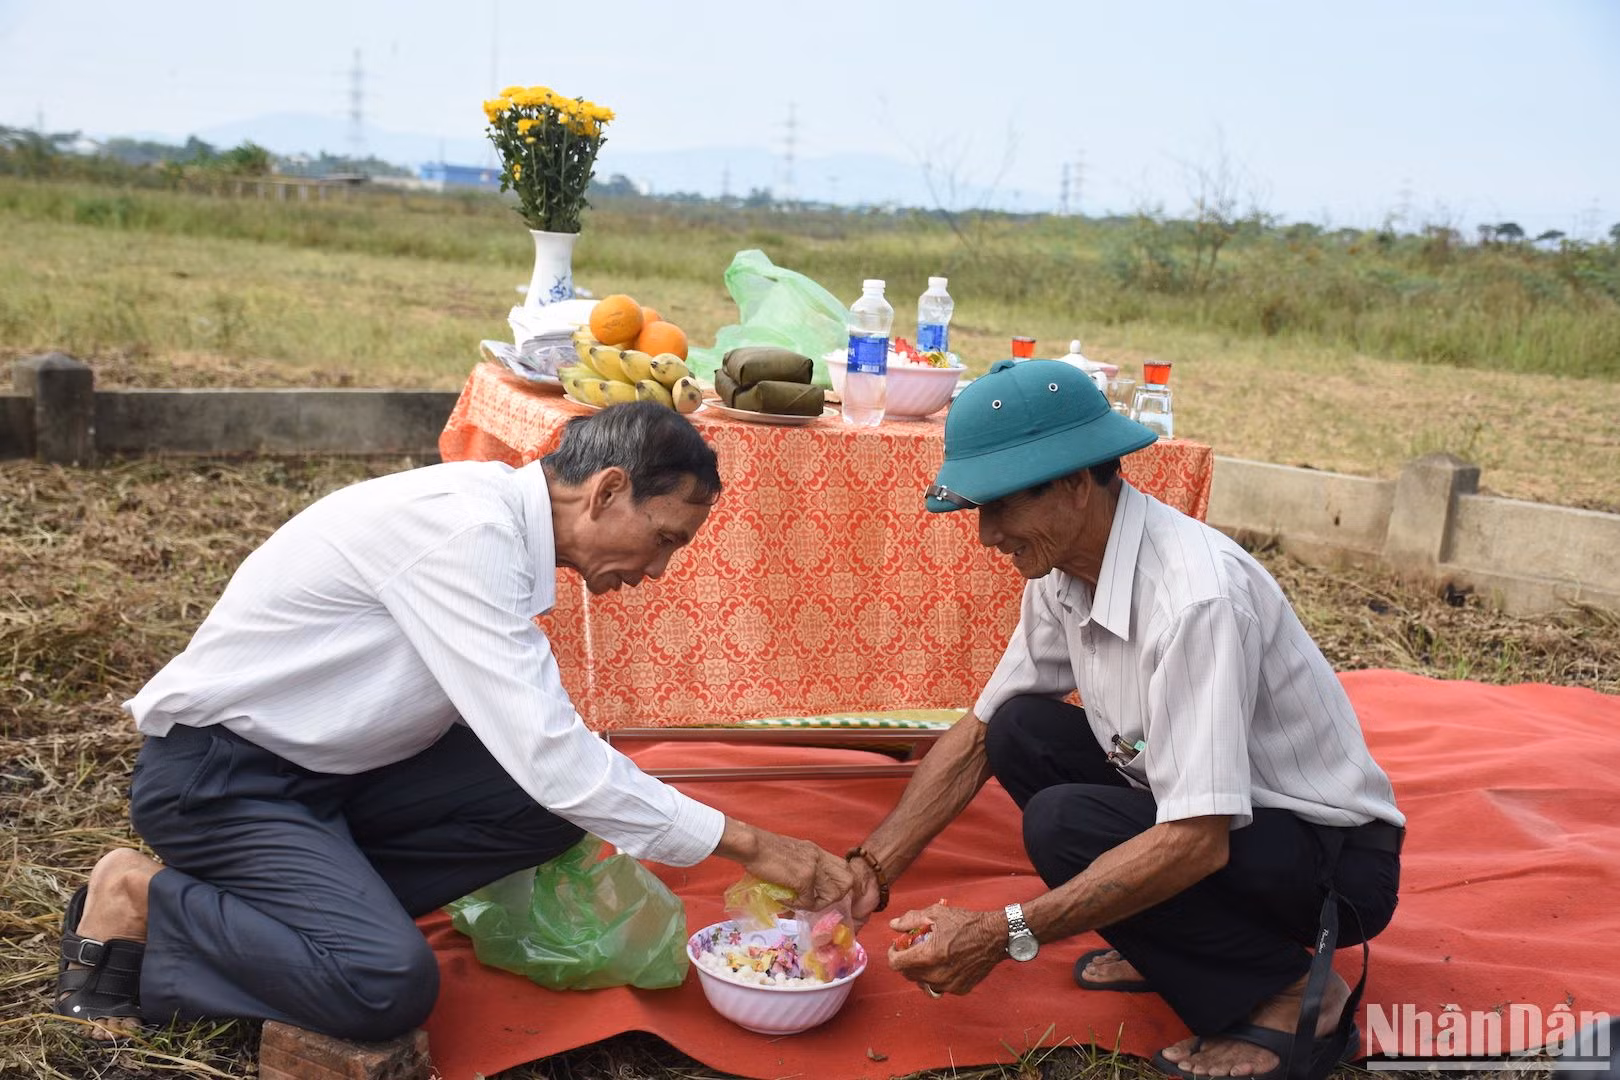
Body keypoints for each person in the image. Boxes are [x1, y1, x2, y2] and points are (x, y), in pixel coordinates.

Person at [54, 402, 854, 1041]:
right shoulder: (466, 533)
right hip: (223, 783)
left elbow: (544, 764)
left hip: (329, 776)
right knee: (385, 988)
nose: (656, 572)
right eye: (663, 539)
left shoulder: (492, 524)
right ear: (608, 490)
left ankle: (307, 915)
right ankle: (143, 898)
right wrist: (753, 843)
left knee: (537, 806)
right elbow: (554, 755)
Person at [841, 360, 1404, 1080]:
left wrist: (1003, 933)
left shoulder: (1195, 598)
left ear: (1076, 484)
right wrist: (871, 870)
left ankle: (1292, 992)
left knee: (1063, 823)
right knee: (1020, 729)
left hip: (1326, 861)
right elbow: (982, 731)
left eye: (1001, 506)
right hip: (1221, 820)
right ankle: (1177, 937)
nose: (987, 534)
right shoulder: (1064, 564)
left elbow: (1198, 841)